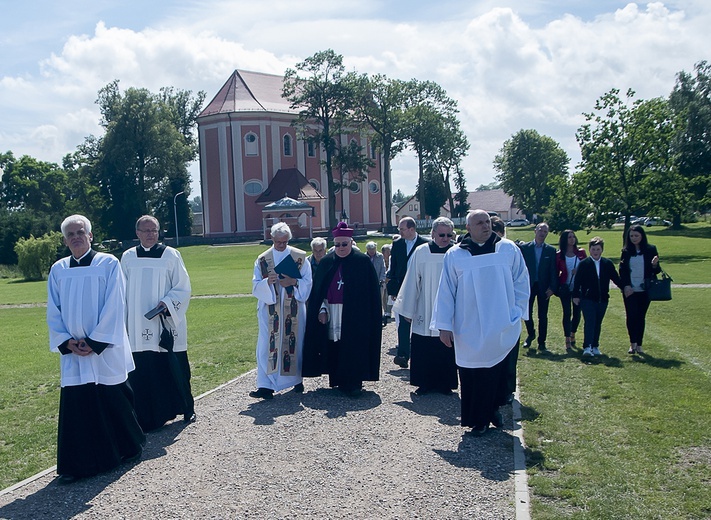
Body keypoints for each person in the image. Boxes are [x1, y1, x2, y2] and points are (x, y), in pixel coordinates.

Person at [47, 214, 145, 482]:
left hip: (104, 349)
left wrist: (95, 342)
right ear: (65, 240)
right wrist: (66, 341)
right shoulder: (58, 269)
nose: (76, 237)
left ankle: (127, 448)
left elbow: (116, 303)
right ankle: (78, 464)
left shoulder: (108, 263)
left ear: (90, 236)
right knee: (79, 407)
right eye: (71, 234)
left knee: (112, 398)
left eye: (81, 232)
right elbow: (53, 310)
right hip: (74, 353)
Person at [431, 210, 529, 436]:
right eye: (479, 223)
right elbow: (446, 291)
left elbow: (521, 281)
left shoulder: (507, 249)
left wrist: (516, 313)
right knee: (472, 373)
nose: (486, 226)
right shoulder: (456, 255)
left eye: (487, 222)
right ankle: (477, 419)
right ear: (468, 228)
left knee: (497, 370)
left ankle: (493, 409)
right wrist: (444, 326)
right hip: (469, 326)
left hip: (500, 322)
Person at [121, 215, 195, 431]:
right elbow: (121, 289)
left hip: (165, 321)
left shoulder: (171, 255)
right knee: (143, 371)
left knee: (174, 366)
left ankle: (184, 407)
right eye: (145, 231)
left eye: (154, 230)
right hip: (136, 325)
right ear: (137, 233)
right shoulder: (127, 257)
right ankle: (147, 417)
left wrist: (168, 303)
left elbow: (183, 287)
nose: (150, 234)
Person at [302, 222, 382, 397]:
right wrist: (321, 309)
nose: (340, 248)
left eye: (344, 244)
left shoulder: (362, 262)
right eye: (337, 244)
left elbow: (371, 294)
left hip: (354, 313)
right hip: (332, 310)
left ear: (351, 242)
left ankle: (353, 383)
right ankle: (336, 379)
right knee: (334, 344)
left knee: (353, 345)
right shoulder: (326, 262)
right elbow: (318, 292)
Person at [393, 217, 457, 395]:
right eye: (442, 234)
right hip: (425, 306)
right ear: (433, 233)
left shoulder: (456, 252)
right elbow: (412, 280)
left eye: (448, 235)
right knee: (424, 344)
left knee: (446, 344)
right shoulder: (421, 252)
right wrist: (408, 309)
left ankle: (445, 383)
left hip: (449, 307)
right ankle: (424, 382)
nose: (445, 238)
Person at [251, 222, 313, 399]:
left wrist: (293, 282)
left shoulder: (299, 257)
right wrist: (267, 283)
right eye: (278, 242)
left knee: (293, 343)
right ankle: (265, 386)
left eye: (284, 242)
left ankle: (296, 381)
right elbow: (255, 286)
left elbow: (308, 282)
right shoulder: (263, 259)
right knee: (265, 346)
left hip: (293, 309)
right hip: (269, 310)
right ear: (271, 238)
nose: (281, 245)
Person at [572, 237, 623, 357]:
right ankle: (587, 347)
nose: (595, 251)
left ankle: (595, 346)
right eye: (593, 249)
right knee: (590, 321)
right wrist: (575, 295)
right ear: (589, 250)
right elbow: (577, 281)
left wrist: (625, 287)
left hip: (603, 299)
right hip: (587, 298)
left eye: (598, 249)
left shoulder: (607, 263)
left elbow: (615, 278)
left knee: (598, 322)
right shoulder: (584, 264)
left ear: (602, 250)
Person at [387, 216, 427, 368]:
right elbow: (394, 267)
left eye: (402, 229)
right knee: (403, 322)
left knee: (420, 320)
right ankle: (403, 354)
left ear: (412, 229)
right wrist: (393, 289)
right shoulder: (397, 244)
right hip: (403, 287)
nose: (400, 232)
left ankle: (419, 353)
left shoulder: (425, 244)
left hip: (421, 287)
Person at [619, 225, 661, 354]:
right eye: (631, 236)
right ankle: (632, 343)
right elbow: (622, 270)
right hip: (630, 290)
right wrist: (626, 286)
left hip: (645, 289)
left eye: (636, 235)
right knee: (631, 316)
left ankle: (639, 344)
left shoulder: (650, 249)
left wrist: (655, 265)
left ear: (642, 236)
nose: (634, 238)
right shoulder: (626, 251)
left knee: (640, 317)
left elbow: (657, 271)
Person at [519, 222, 558, 352]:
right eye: (540, 230)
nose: (542, 233)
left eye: (545, 231)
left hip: (544, 287)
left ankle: (542, 342)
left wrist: (552, 288)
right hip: (528, 286)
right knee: (527, 313)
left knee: (543, 315)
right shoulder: (525, 248)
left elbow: (554, 270)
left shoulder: (551, 250)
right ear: (535, 231)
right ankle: (531, 334)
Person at [555, 230, 587, 351]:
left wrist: (579, 271)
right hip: (565, 287)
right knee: (567, 313)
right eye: (569, 237)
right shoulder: (559, 255)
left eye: (573, 237)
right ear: (564, 239)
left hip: (578, 288)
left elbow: (587, 266)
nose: (572, 239)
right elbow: (555, 271)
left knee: (577, 312)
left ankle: (573, 333)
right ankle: (567, 338)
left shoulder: (581, 253)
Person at [365, 241, 387, 325]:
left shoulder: (380, 256)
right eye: (370, 249)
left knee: (379, 301)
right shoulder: (364, 257)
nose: (372, 251)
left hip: (379, 283)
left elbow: (383, 268)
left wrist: (382, 279)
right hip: (368, 283)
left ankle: (379, 318)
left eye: (373, 249)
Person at [381, 243, 393, 323]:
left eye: (389, 251)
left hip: (390, 280)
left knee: (389, 296)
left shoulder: (392, 258)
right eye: (387, 252)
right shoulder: (381, 259)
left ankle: (388, 312)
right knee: (383, 297)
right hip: (382, 280)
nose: (389, 253)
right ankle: (385, 311)